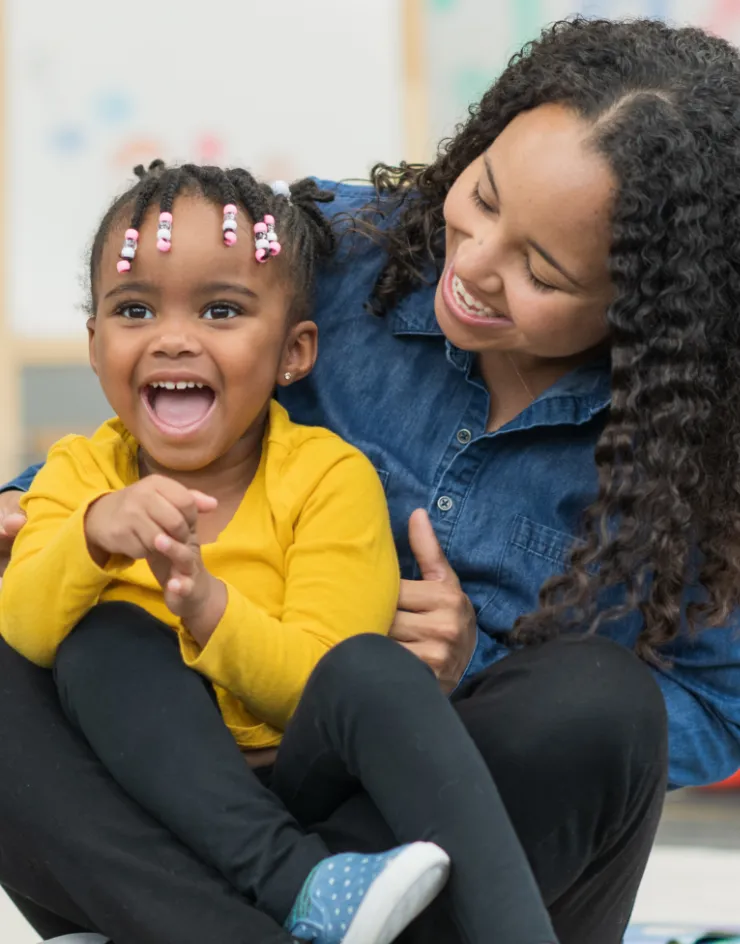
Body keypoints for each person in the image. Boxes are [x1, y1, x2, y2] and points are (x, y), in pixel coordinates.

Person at [3, 13, 740, 944]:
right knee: (77, 640)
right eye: (481, 197)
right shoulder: (334, 254)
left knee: (598, 702)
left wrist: (477, 667)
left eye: (541, 271)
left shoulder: (704, 446)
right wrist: (28, 504)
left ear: (641, 308)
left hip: (447, 816)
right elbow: (145, 418)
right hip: (192, 789)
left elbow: (716, 708)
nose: (470, 264)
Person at [0, 160, 559, 944]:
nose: (173, 339)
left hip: (298, 783)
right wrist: (91, 534)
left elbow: (318, 684)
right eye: (133, 309)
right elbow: (20, 629)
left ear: (294, 353)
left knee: (377, 671)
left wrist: (208, 608)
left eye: (221, 310)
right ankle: (296, 888)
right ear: (95, 347)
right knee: (102, 642)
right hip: (139, 809)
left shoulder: (329, 477)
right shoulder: (78, 474)